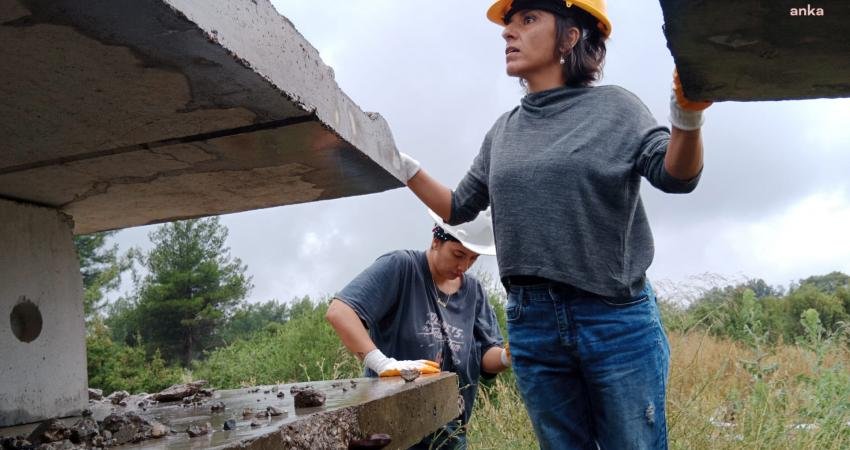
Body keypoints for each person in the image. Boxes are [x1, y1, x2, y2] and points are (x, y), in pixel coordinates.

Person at [385, 0, 712, 448]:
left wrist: (686, 117)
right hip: (532, 322)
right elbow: (459, 207)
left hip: (613, 318)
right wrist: (403, 167)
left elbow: (677, 176)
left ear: (571, 36)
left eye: (528, 19)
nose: (508, 33)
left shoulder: (618, 108)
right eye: (508, 24)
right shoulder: (505, 130)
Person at [326, 208, 511, 450]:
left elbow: (487, 357)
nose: (464, 266)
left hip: (450, 431)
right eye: (458, 255)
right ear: (436, 240)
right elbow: (340, 312)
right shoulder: (402, 267)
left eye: (473, 259)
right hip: (392, 427)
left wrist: (509, 355)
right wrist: (382, 364)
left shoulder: (474, 292)